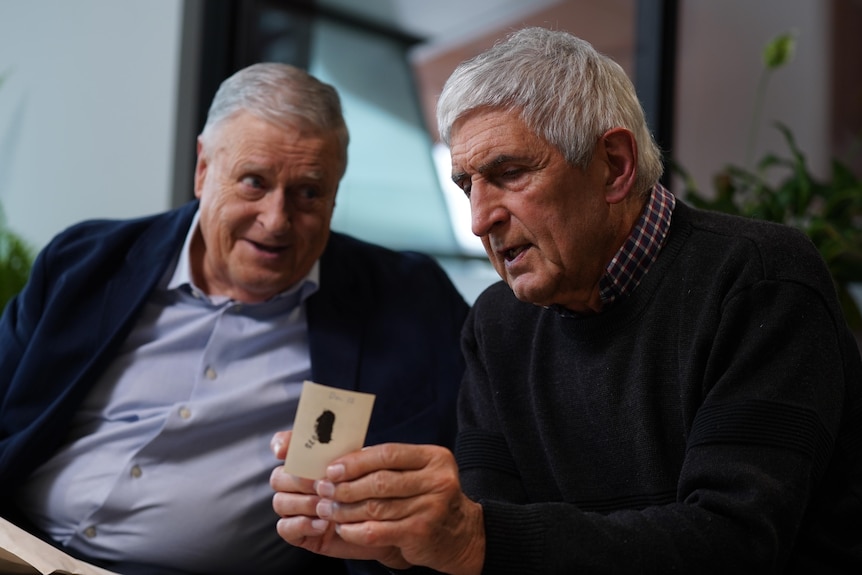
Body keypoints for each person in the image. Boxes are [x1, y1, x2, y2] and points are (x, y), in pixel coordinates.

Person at [270, 27, 862, 574]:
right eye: (466, 185)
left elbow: (735, 544)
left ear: (614, 166)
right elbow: (492, 536)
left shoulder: (759, 281)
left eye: (509, 173)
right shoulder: (497, 323)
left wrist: (478, 539)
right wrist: (405, 547)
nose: (480, 220)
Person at [0, 63, 469, 575]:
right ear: (204, 169)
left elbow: (486, 455)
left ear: (336, 191)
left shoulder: (408, 300)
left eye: (309, 192)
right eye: (253, 182)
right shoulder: (86, 260)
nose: (276, 220)